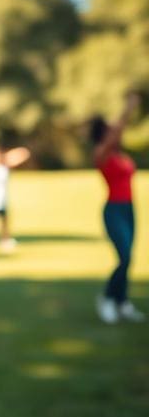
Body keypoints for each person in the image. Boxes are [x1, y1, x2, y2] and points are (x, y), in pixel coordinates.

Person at [90, 92, 144, 324]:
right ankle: (107, 298)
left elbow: (117, 134)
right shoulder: (101, 154)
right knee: (124, 256)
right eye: (110, 129)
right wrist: (129, 107)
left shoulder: (120, 155)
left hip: (129, 209)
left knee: (129, 259)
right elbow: (117, 132)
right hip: (113, 210)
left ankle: (122, 303)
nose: (116, 131)